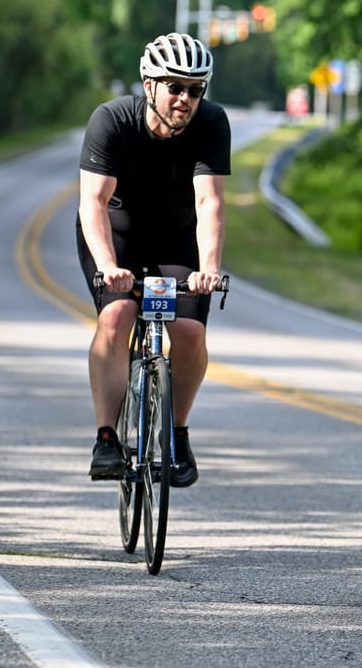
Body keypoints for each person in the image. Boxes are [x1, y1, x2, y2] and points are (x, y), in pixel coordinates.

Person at [77, 32, 230, 486]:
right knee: (117, 316)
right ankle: (106, 438)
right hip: (117, 237)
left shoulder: (211, 123)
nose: (185, 99)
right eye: (175, 87)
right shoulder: (112, 121)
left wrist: (209, 269)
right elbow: (92, 202)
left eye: (195, 90)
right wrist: (108, 266)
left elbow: (209, 203)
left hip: (177, 241)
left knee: (189, 332)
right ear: (149, 85)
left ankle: (177, 433)